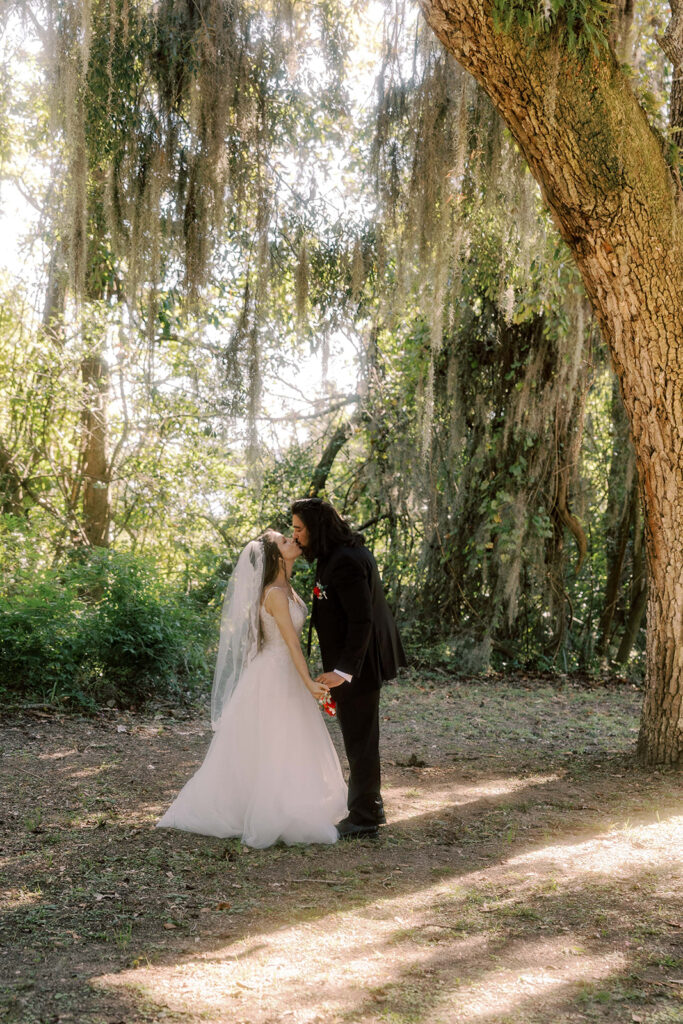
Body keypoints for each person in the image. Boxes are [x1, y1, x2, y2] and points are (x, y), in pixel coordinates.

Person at [157, 530, 348, 848]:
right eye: (283, 541)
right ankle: (267, 810)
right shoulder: (274, 593)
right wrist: (309, 684)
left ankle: (289, 801)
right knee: (274, 740)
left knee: (287, 741)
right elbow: (290, 643)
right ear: (274, 556)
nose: (292, 540)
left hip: (283, 670)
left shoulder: (288, 587)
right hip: (274, 673)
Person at [291, 498, 407, 839]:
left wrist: (342, 671)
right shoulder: (338, 554)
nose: (295, 535)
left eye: (298, 528)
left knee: (361, 740)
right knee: (359, 737)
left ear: (316, 528)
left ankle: (365, 816)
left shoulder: (346, 561)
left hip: (360, 665)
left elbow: (362, 620)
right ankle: (367, 806)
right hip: (354, 663)